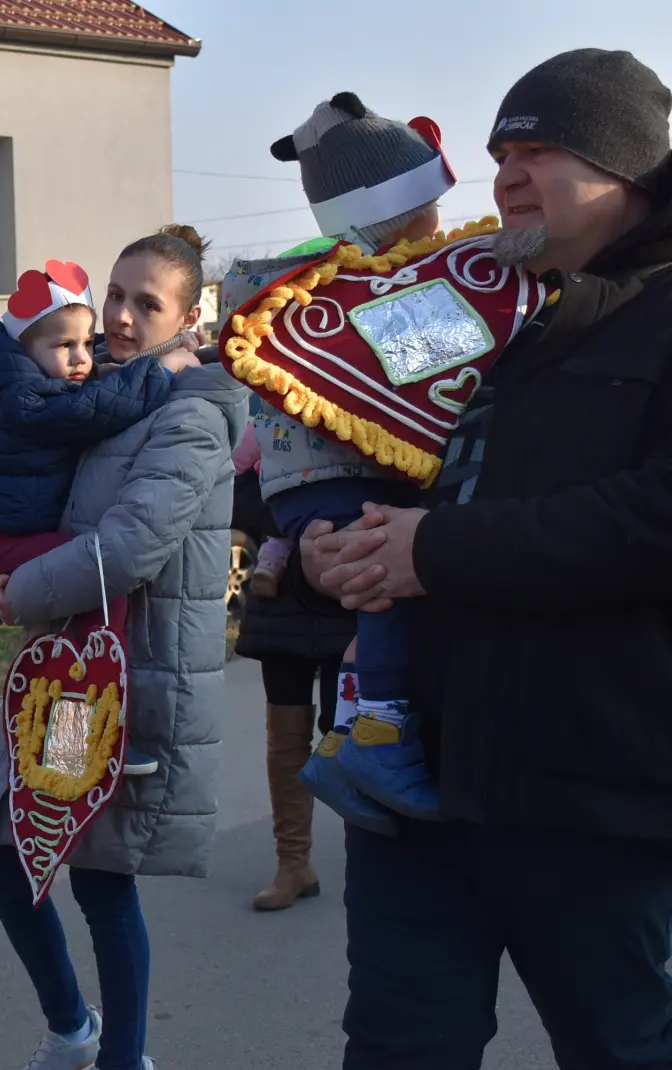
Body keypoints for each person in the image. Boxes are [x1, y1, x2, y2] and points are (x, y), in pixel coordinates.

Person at [298, 49, 672, 1068]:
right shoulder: (466, 303)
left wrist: (437, 551)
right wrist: (330, 555)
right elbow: (380, 463)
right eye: (501, 153)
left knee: (619, 1046)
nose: (507, 174)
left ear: (627, 167)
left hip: (590, 795)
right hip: (408, 785)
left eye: (539, 150)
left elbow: (654, 519)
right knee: (397, 1048)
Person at [0, 226, 247, 1070]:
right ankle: (73, 1029)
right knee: (8, 862)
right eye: (115, 296)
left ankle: (119, 1055)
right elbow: (31, 511)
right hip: (63, 670)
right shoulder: (98, 393)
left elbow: (126, 549)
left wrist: (16, 592)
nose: (122, 317)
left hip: (123, 680)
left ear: (189, 317)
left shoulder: (189, 413)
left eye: (146, 303)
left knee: (97, 875)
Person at [244, 93, 459, 828]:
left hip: (298, 482)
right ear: (399, 214)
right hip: (344, 472)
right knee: (384, 584)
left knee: (371, 595)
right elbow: (424, 378)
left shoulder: (297, 285)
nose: (442, 227)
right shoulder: (374, 286)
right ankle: (381, 734)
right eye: (431, 211)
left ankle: (343, 737)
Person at [229, 407, 357, 911]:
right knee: (285, 735)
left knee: (347, 732)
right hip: (280, 595)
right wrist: (297, 518)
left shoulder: (363, 402)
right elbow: (235, 488)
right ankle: (293, 863)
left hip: (348, 590)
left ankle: (372, 859)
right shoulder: (274, 410)